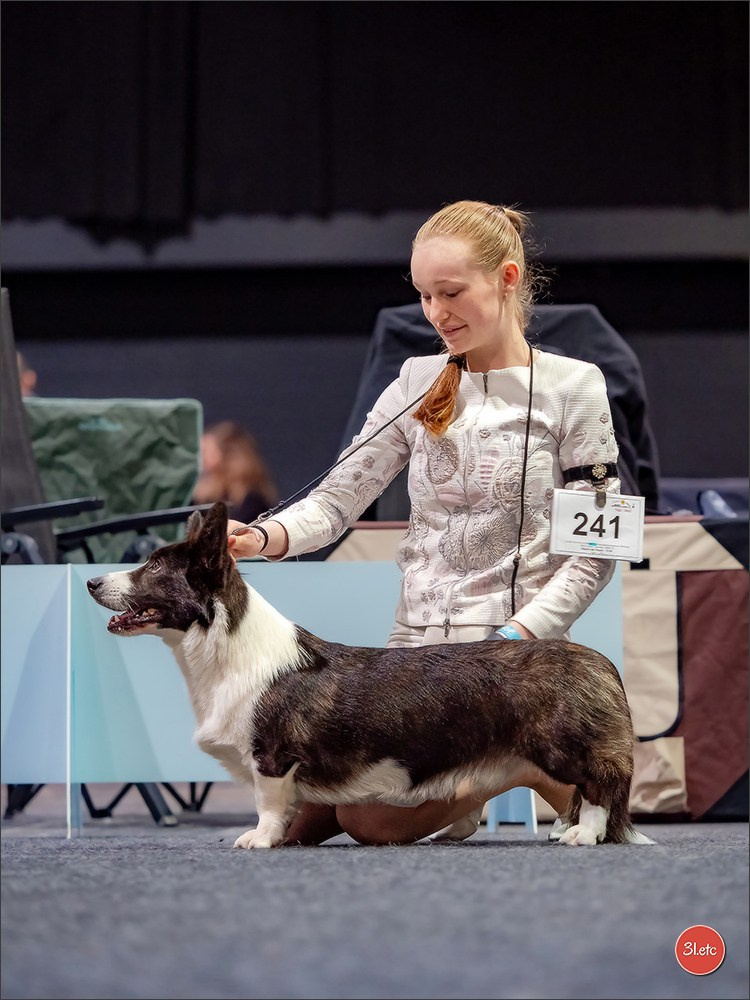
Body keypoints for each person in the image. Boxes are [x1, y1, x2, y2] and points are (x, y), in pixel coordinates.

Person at [227, 200, 621, 846]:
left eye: (451, 293)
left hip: (508, 677)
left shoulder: (575, 388)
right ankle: (526, 776)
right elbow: (335, 501)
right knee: (299, 814)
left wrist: (517, 638)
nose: (436, 313)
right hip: (406, 678)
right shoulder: (415, 381)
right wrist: (263, 536)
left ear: (508, 279)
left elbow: (594, 554)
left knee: (366, 818)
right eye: (424, 296)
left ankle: (516, 761)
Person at [193, 420, 278, 524]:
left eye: (206, 452)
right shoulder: (203, 496)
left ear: (228, 454)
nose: (200, 458)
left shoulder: (251, 500)